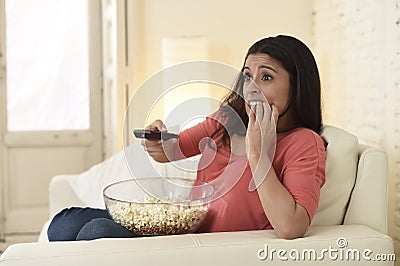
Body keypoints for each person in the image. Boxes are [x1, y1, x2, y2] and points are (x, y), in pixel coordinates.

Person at [47, 35, 326, 241]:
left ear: (297, 86)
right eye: (247, 76)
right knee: (63, 223)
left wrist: (258, 154)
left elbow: (291, 227)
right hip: (179, 225)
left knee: (95, 232)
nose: (251, 88)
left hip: (200, 246)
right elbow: (170, 150)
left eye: (266, 77)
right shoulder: (226, 121)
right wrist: (157, 139)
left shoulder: (303, 143)